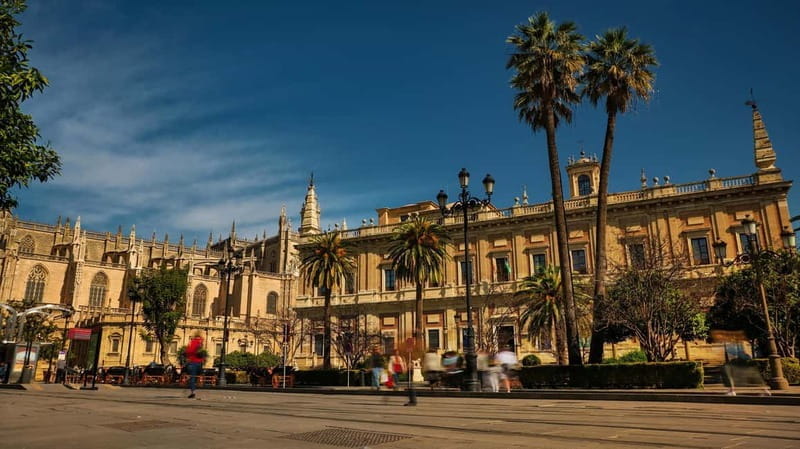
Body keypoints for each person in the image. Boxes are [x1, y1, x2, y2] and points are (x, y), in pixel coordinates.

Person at [185, 331, 205, 399]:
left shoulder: (193, 341)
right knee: (195, 377)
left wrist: (187, 352)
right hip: (200, 363)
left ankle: (193, 392)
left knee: (192, 378)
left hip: (193, 362)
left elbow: (189, 351)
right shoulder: (201, 342)